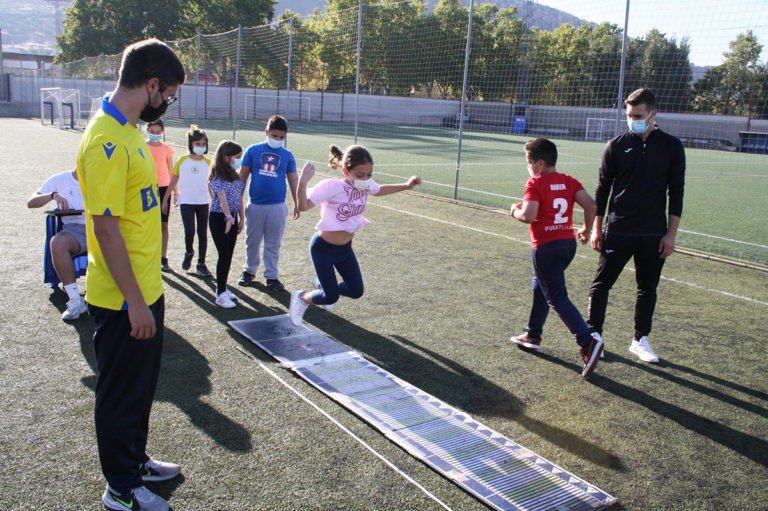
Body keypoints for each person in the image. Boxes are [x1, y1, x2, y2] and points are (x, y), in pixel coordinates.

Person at [76, 38, 184, 511]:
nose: (168, 104)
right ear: (152, 84)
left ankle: (134, 462)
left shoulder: (128, 131)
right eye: (170, 94)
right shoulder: (105, 138)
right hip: (124, 298)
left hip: (145, 288)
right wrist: (136, 302)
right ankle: (119, 489)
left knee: (140, 389)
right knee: (120, 394)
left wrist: (149, 295)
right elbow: (104, 229)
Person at [587, 87, 685, 364]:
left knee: (647, 288)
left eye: (638, 115)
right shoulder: (616, 145)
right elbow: (602, 190)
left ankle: (640, 339)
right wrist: (597, 227)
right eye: (629, 114)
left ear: (653, 114)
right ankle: (592, 336)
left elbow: (676, 192)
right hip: (618, 229)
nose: (632, 119)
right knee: (601, 284)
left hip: (653, 233)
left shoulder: (671, 147)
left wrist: (671, 234)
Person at [289, 144, 421, 326]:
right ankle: (302, 298)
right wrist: (303, 183)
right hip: (323, 249)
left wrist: (406, 186)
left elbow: (379, 190)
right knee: (330, 296)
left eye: (369, 174)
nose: (365, 179)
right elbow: (303, 206)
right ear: (345, 171)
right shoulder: (331, 186)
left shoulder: (366, 185)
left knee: (356, 291)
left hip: (345, 249)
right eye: (360, 175)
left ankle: (322, 285)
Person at [509, 138, 603, 378]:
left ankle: (587, 342)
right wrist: (586, 229)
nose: (528, 166)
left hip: (546, 248)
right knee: (540, 285)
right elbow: (591, 206)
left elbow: (529, 215)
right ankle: (532, 333)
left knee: (556, 297)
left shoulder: (536, 182)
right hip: (566, 245)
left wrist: (514, 210)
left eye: (529, 161)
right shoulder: (568, 181)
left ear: (540, 163)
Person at [237, 114, 299, 291]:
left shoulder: (287, 155)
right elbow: (243, 176)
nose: (278, 140)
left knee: (273, 242)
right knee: (252, 240)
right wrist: (237, 200)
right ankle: (249, 271)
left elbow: (293, 179)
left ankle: (271, 276)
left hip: (277, 206)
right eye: (274, 136)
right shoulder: (253, 150)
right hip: (255, 205)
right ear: (266, 132)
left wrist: (296, 202)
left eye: (281, 137)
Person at [27, 168, 88, 320]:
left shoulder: (106, 177)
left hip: (106, 227)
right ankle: (75, 300)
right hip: (76, 231)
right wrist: (53, 195)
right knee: (58, 242)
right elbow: (31, 202)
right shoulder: (61, 179)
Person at [163, 124, 212, 277]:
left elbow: (213, 183)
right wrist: (165, 199)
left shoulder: (209, 163)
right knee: (189, 231)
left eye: (203, 144)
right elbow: (173, 180)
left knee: (202, 233)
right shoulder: (182, 160)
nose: (201, 146)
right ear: (191, 144)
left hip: (203, 202)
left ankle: (201, 263)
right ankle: (189, 251)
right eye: (198, 144)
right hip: (186, 202)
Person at [207, 140, 245, 308]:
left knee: (228, 255)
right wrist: (228, 216)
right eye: (237, 157)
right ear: (226, 157)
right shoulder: (216, 177)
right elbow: (222, 199)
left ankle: (223, 288)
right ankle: (220, 293)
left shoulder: (235, 175)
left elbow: (239, 198)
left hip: (233, 218)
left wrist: (241, 218)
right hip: (219, 218)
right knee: (223, 254)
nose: (239, 160)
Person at [145, 119, 175, 271]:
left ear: (162, 132)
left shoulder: (166, 149)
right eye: (152, 132)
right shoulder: (142, 147)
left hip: (164, 189)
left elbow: (171, 170)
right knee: (147, 224)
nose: (155, 135)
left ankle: (163, 258)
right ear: (147, 130)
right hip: (146, 189)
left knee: (163, 224)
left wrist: (175, 190)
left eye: (158, 133)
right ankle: (148, 256)